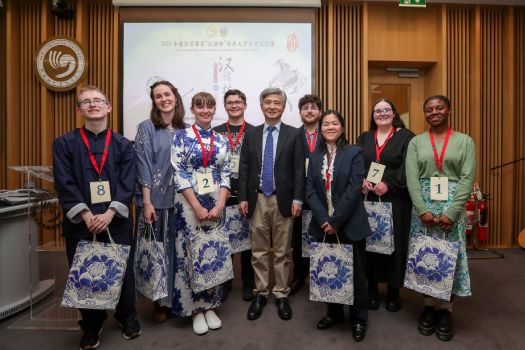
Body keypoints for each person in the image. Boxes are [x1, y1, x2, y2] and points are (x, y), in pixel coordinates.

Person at [52, 85, 141, 350]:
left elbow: (128, 182)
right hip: (82, 221)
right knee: (84, 272)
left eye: (98, 100)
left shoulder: (124, 145)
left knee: (123, 272)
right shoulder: (63, 143)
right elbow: (64, 182)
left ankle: (127, 317)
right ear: (79, 109)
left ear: (109, 107)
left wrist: (110, 212)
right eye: (86, 102)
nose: (93, 105)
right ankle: (91, 324)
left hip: (117, 220)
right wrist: (87, 214)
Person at [405, 95, 476, 341]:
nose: (434, 112)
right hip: (422, 205)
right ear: (425, 113)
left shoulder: (464, 141)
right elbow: (412, 178)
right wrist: (422, 209)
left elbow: (467, 178)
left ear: (449, 111)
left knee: (450, 256)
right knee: (425, 254)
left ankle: (445, 309)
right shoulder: (416, 142)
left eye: (439, 108)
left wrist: (452, 211)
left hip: (452, 204)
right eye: (429, 109)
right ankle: (427, 305)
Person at [238, 87, 304, 321]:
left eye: (277, 102)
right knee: (258, 251)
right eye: (268, 102)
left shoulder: (294, 134)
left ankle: (281, 294)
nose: (272, 106)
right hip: (257, 199)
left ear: (284, 107)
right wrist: (243, 197)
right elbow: (244, 167)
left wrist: (298, 198)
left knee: (283, 251)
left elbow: (299, 169)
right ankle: (261, 293)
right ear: (262, 106)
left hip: (283, 199)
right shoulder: (252, 133)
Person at [306, 109, 371, 342]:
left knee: (356, 272)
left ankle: (359, 318)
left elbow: (355, 190)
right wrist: (324, 218)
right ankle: (333, 313)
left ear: (342, 127)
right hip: (323, 224)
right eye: (325, 124)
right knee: (329, 268)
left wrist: (335, 221)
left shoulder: (354, 152)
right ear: (320, 129)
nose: (330, 127)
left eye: (335, 123)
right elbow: (310, 190)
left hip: (349, 223)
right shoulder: (314, 156)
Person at [171, 92, 231, 335]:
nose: (205, 111)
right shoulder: (181, 137)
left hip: (217, 201)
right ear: (192, 110)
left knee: (212, 251)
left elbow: (226, 173)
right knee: (190, 253)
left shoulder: (222, 139)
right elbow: (179, 173)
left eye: (210, 106)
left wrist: (219, 205)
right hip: (188, 203)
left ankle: (211, 305)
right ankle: (195, 308)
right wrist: (196, 206)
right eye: (200, 106)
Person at [134, 80, 185, 322]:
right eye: (158, 96)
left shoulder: (187, 129)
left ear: (175, 96)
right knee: (158, 251)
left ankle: (177, 298)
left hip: (184, 201)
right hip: (156, 201)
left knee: (179, 252)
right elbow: (142, 165)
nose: (164, 99)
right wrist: (146, 202)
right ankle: (160, 302)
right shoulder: (146, 128)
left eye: (167, 94)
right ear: (154, 101)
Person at [357, 98, 414, 312]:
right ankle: (371, 289)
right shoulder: (364, 137)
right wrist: (362, 178)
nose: (382, 114)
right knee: (369, 244)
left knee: (393, 245)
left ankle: (393, 291)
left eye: (386, 110)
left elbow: (410, 165)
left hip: (395, 199)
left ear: (394, 113)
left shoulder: (405, 137)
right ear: (373, 115)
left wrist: (388, 183)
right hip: (368, 198)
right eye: (377, 111)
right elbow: (356, 163)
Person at [213, 89, 255, 301]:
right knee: (225, 239)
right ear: (225, 106)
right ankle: (226, 281)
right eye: (230, 102)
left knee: (248, 242)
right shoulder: (216, 131)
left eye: (238, 102)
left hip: (246, 193)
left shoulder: (255, 131)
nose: (234, 105)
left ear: (245, 105)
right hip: (223, 193)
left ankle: (248, 282)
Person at [289, 94, 323, 296]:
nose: (309, 111)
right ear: (300, 112)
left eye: (313, 107)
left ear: (320, 111)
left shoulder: (328, 132)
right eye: (305, 108)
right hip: (298, 194)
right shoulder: (293, 135)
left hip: (322, 194)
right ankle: (298, 276)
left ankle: (319, 274)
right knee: (298, 238)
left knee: (320, 234)